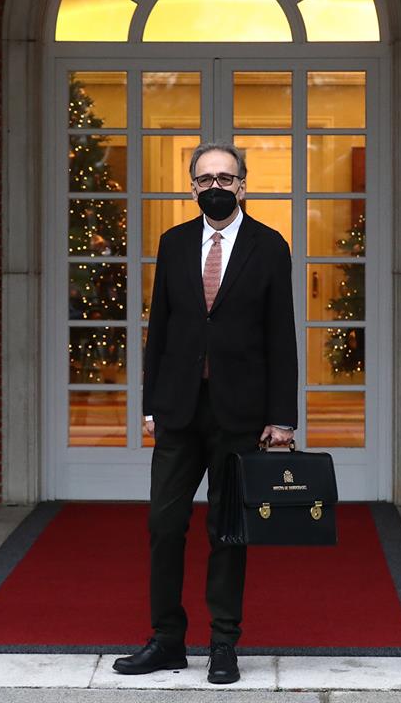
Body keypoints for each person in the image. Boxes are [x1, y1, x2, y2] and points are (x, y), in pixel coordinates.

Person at [112, 142, 298, 685]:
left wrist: (281, 417)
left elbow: (281, 337)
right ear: (191, 187)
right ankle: (167, 639)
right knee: (164, 525)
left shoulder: (269, 246)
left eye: (225, 177)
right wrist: (150, 404)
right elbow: (160, 330)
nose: (214, 186)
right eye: (204, 179)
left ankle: (223, 644)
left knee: (227, 530)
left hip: (240, 414)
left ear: (243, 184)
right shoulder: (173, 245)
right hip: (178, 409)